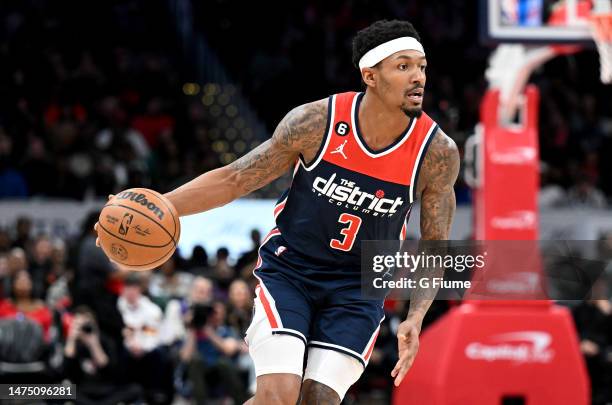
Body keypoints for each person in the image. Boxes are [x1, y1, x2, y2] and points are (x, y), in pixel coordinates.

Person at [96, 19, 459, 404]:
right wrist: (159, 204)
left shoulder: (437, 154)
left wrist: (416, 316)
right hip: (292, 271)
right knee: (278, 395)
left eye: (421, 66)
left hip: (358, 289)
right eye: (403, 66)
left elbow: (436, 244)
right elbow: (235, 178)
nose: (418, 77)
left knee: (317, 399)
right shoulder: (316, 122)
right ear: (370, 74)